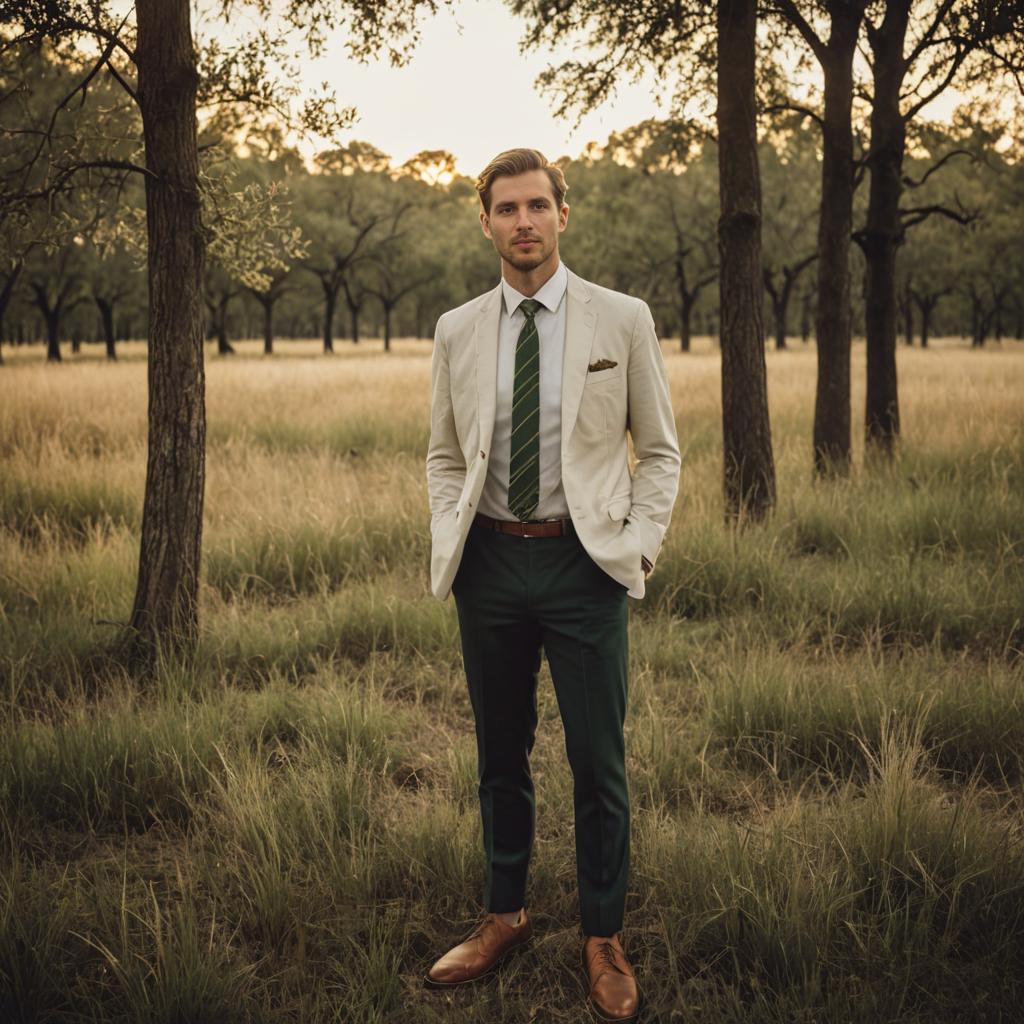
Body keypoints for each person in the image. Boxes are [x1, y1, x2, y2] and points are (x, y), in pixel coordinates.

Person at [423, 148, 680, 1022]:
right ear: (486, 221)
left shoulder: (621, 319)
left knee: (597, 760)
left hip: (584, 565)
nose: (523, 221)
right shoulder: (456, 329)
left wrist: (637, 547)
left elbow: (662, 450)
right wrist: (447, 535)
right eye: (506, 208)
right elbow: (445, 453)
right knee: (500, 753)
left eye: (538, 205)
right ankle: (505, 914)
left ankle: (602, 935)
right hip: (489, 565)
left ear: (563, 215)